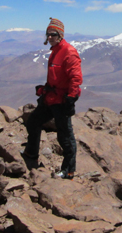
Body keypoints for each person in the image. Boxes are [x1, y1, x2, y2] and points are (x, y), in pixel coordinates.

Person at [22, 18, 83, 180]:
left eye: (53, 34)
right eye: (47, 34)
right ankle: (31, 153)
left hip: (62, 101)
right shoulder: (55, 50)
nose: (49, 37)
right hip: (50, 98)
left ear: (60, 35)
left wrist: (70, 99)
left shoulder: (69, 52)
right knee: (33, 121)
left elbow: (75, 78)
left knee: (65, 136)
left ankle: (68, 170)